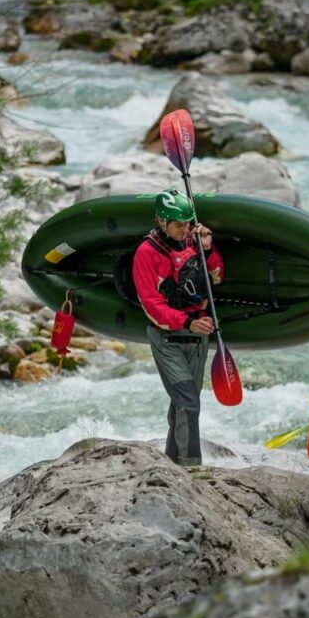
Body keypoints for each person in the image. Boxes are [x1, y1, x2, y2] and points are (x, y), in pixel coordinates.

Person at [132, 189, 224, 467]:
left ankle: (172, 461)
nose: (185, 230)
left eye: (188, 223)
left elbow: (216, 278)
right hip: (167, 338)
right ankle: (190, 467)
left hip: (197, 337)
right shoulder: (146, 254)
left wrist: (207, 249)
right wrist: (187, 322)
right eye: (179, 225)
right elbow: (151, 305)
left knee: (183, 403)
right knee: (188, 402)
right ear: (162, 221)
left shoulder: (193, 242)